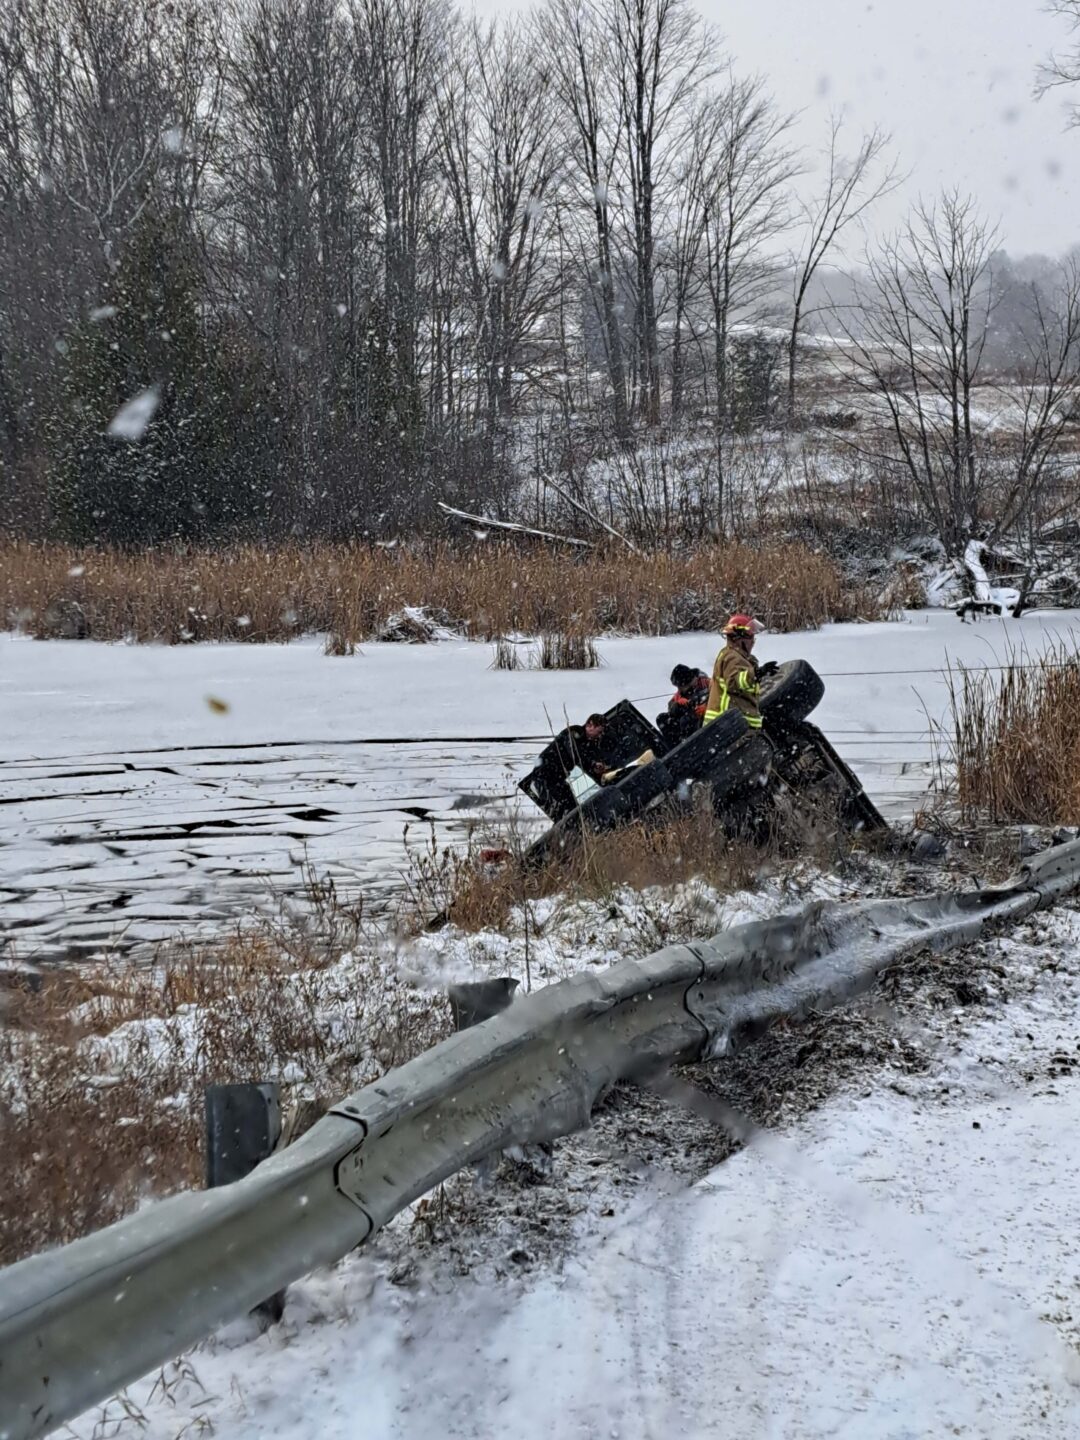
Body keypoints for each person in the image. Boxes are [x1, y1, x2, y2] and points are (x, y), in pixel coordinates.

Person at [530, 713, 610, 821]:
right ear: (590, 725)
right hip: (545, 777)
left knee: (572, 808)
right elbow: (574, 753)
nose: (600, 736)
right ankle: (568, 832)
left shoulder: (587, 744)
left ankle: (576, 831)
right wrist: (591, 764)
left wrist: (596, 769)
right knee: (564, 810)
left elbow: (583, 760)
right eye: (599, 732)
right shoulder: (574, 733)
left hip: (557, 779)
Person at [704, 614, 776, 731]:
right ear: (738, 638)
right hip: (730, 725)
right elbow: (734, 681)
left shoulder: (733, 655)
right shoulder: (733, 657)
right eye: (750, 636)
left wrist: (761, 676)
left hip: (732, 724)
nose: (753, 641)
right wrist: (756, 674)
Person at [656, 664, 711, 749]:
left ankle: (690, 747)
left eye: (680, 686)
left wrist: (706, 706)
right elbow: (671, 706)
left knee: (686, 720)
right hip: (688, 722)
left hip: (703, 721)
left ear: (686, 682)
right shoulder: (681, 692)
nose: (679, 689)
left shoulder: (707, 683)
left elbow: (717, 698)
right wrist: (677, 704)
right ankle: (674, 749)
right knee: (662, 719)